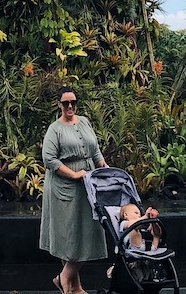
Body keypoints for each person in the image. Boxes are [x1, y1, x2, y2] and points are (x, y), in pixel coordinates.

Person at [39, 86, 108, 294]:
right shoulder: (55, 129)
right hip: (64, 188)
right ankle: (72, 285)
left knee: (88, 232)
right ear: (59, 104)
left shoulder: (85, 122)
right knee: (68, 235)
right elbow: (49, 159)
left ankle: (66, 280)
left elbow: (95, 149)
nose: (70, 106)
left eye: (73, 102)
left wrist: (102, 165)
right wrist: (74, 174)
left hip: (88, 184)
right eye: (66, 103)